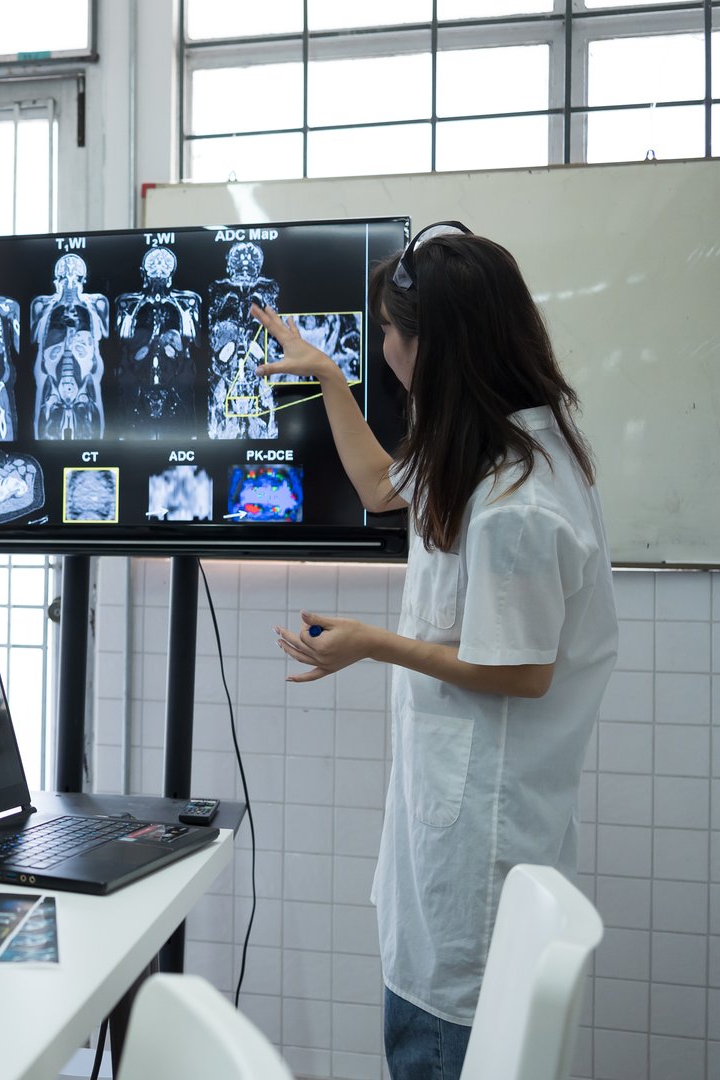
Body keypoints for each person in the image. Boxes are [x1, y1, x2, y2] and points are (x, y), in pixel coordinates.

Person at [249, 224, 617, 1080]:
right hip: (450, 829)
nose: (382, 348)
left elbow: (521, 670)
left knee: (442, 1043)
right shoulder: (487, 442)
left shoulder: (516, 496)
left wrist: (372, 642)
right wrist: (330, 377)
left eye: (387, 333)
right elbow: (382, 486)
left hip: (480, 854)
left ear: (435, 346)